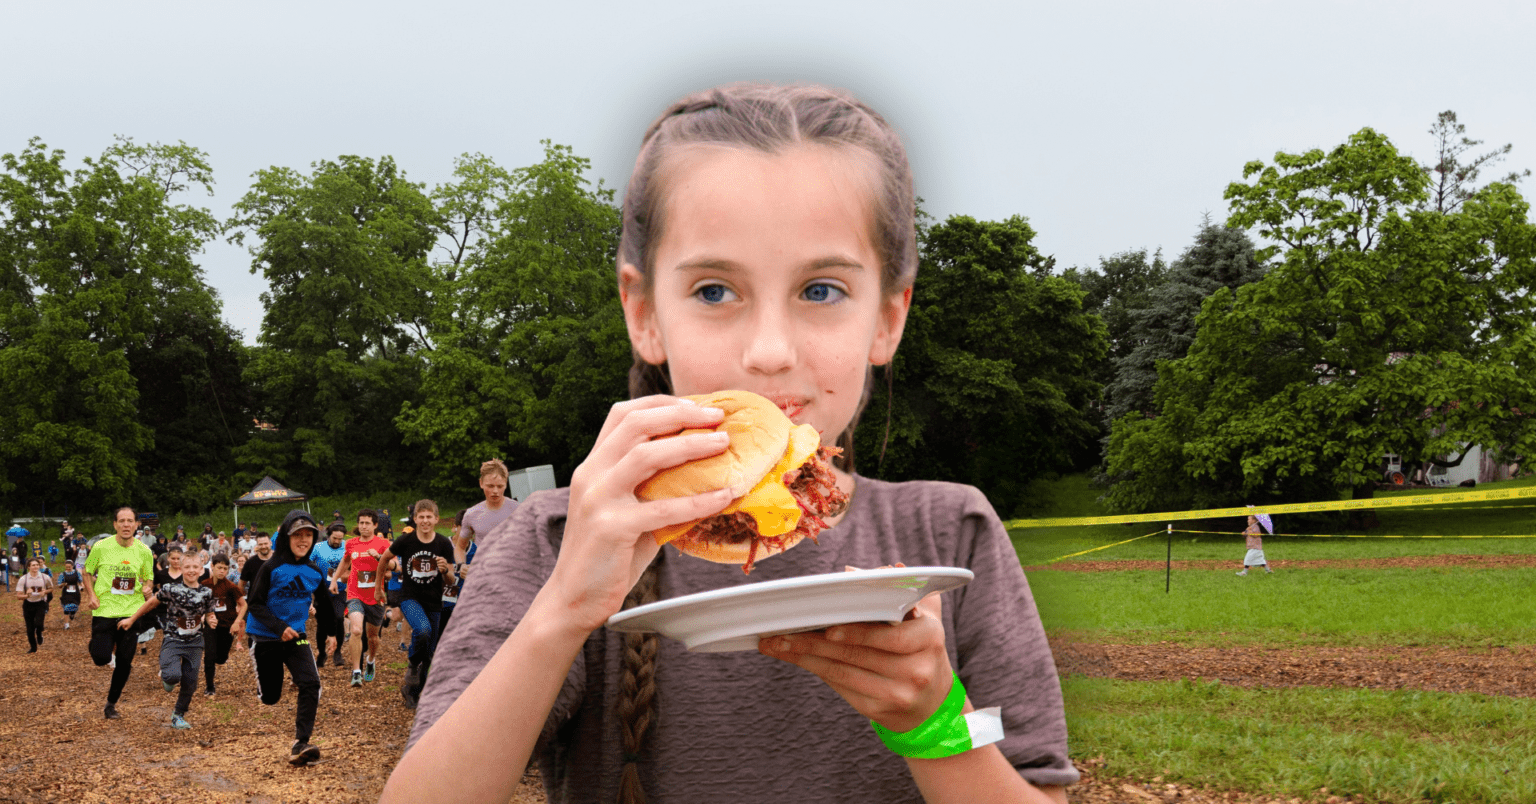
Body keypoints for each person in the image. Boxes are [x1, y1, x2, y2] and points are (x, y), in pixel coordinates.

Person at [384, 84, 1074, 804]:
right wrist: (562, 611)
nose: (769, 353)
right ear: (645, 313)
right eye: (714, 291)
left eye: (822, 289)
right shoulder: (556, 538)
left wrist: (933, 723)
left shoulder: (948, 534)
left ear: (888, 318)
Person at [244, 509, 337, 766]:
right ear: (287, 537)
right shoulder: (271, 567)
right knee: (271, 697)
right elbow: (255, 603)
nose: (303, 540)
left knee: (310, 683)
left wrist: (331, 634)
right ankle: (264, 690)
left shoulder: (314, 571)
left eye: (308, 535)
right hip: (266, 637)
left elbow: (327, 607)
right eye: (298, 535)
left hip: (297, 636)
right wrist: (278, 627)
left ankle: (301, 743)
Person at [122, 552, 216, 729]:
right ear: (180, 568)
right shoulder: (170, 589)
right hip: (173, 639)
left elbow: (209, 614)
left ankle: (178, 715)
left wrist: (211, 620)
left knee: (190, 682)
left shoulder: (206, 592)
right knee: (173, 675)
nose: (191, 570)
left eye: (195, 567)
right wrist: (132, 619)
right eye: (187, 567)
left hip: (195, 642)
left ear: (201, 569)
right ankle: (168, 676)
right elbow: (150, 604)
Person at [377, 500, 457, 708]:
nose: (425, 521)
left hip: (434, 600)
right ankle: (412, 664)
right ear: (415, 519)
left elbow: (451, 581)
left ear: (437, 519)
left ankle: (412, 692)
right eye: (421, 517)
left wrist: (445, 570)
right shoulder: (406, 541)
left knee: (430, 654)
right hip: (410, 597)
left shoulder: (443, 543)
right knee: (422, 630)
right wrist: (378, 588)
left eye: (429, 517)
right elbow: (384, 559)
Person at [83, 506, 156, 720]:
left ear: (136, 525)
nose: (126, 525)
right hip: (105, 610)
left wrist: (147, 587)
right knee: (100, 657)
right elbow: (87, 571)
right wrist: (91, 595)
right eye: (121, 521)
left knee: (124, 663)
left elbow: (148, 577)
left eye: (130, 521)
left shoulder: (144, 551)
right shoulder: (101, 547)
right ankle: (97, 646)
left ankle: (111, 704)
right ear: (115, 524)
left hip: (131, 612)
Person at [330, 508, 390, 687]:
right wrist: (334, 580)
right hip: (355, 593)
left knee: (373, 637)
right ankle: (356, 671)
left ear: (375, 525)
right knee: (356, 630)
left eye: (367, 523)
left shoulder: (383, 544)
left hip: (375, 595)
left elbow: (389, 569)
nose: (364, 526)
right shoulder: (351, 544)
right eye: (361, 523)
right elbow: (346, 561)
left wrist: (379, 558)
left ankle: (370, 660)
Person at [455, 459, 518, 564]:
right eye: (490, 486)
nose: (495, 491)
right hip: (483, 574)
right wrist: (462, 566)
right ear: (481, 483)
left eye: (500, 486)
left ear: (506, 484)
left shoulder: (519, 510)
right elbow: (460, 548)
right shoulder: (471, 514)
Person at [203, 554, 246, 696]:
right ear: (212, 567)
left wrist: (236, 623)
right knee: (209, 656)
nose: (222, 571)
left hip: (227, 626)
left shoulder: (231, 587)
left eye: (225, 568)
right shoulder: (204, 585)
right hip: (211, 625)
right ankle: (210, 686)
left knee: (221, 659)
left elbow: (244, 605)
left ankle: (218, 656)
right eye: (219, 567)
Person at [308, 523, 348, 668]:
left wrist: (344, 577)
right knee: (322, 623)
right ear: (328, 535)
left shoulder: (346, 547)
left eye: (340, 539)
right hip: (321, 590)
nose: (337, 541)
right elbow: (308, 563)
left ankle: (337, 652)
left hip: (339, 590)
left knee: (338, 617)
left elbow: (352, 566)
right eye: (334, 538)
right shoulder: (318, 548)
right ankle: (322, 653)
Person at [15, 557, 54, 652]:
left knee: (39, 624)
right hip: (28, 604)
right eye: (33, 565)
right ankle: (33, 647)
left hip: (40, 603)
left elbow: (51, 588)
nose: (35, 567)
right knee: (30, 629)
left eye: (37, 565)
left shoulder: (45, 577)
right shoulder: (23, 579)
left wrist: (45, 592)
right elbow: (19, 596)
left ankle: (39, 633)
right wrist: (27, 595)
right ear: (29, 567)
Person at [58, 560, 84, 629]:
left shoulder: (76, 573)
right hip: (66, 593)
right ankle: (66, 624)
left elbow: (80, 581)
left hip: (75, 593)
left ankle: (72, 613)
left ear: (72, 566)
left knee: (75, 606)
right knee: (66, 608)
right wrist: (63, 584)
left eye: (69, 567)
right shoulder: (62, 574)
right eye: (66, 567)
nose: (68, 568)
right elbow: (59, 585)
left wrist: (82, 586)